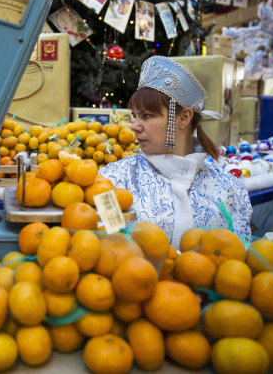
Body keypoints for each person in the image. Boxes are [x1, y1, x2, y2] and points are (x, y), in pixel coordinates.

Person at [99, 56, 252, 248]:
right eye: (134, 116)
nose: (134, 126)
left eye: (147, 116)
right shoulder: (112, 181)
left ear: (184, 117)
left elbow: (237, 257)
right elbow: (105, 249)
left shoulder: (227, 188)